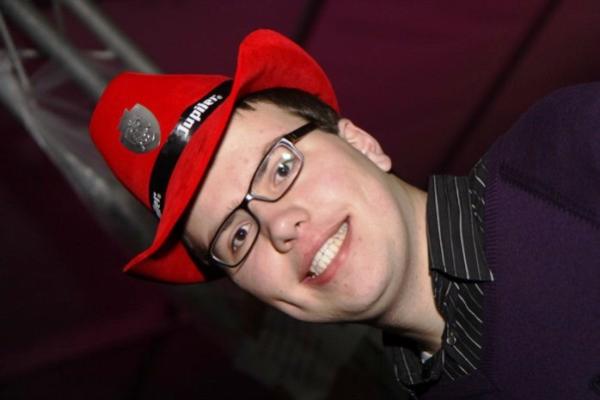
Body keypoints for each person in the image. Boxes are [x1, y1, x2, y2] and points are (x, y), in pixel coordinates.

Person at [90, 29, 600, 399]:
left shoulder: (567, 157)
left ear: (360, 143)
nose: (278, 226)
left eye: (280, 168)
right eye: (237, 235)